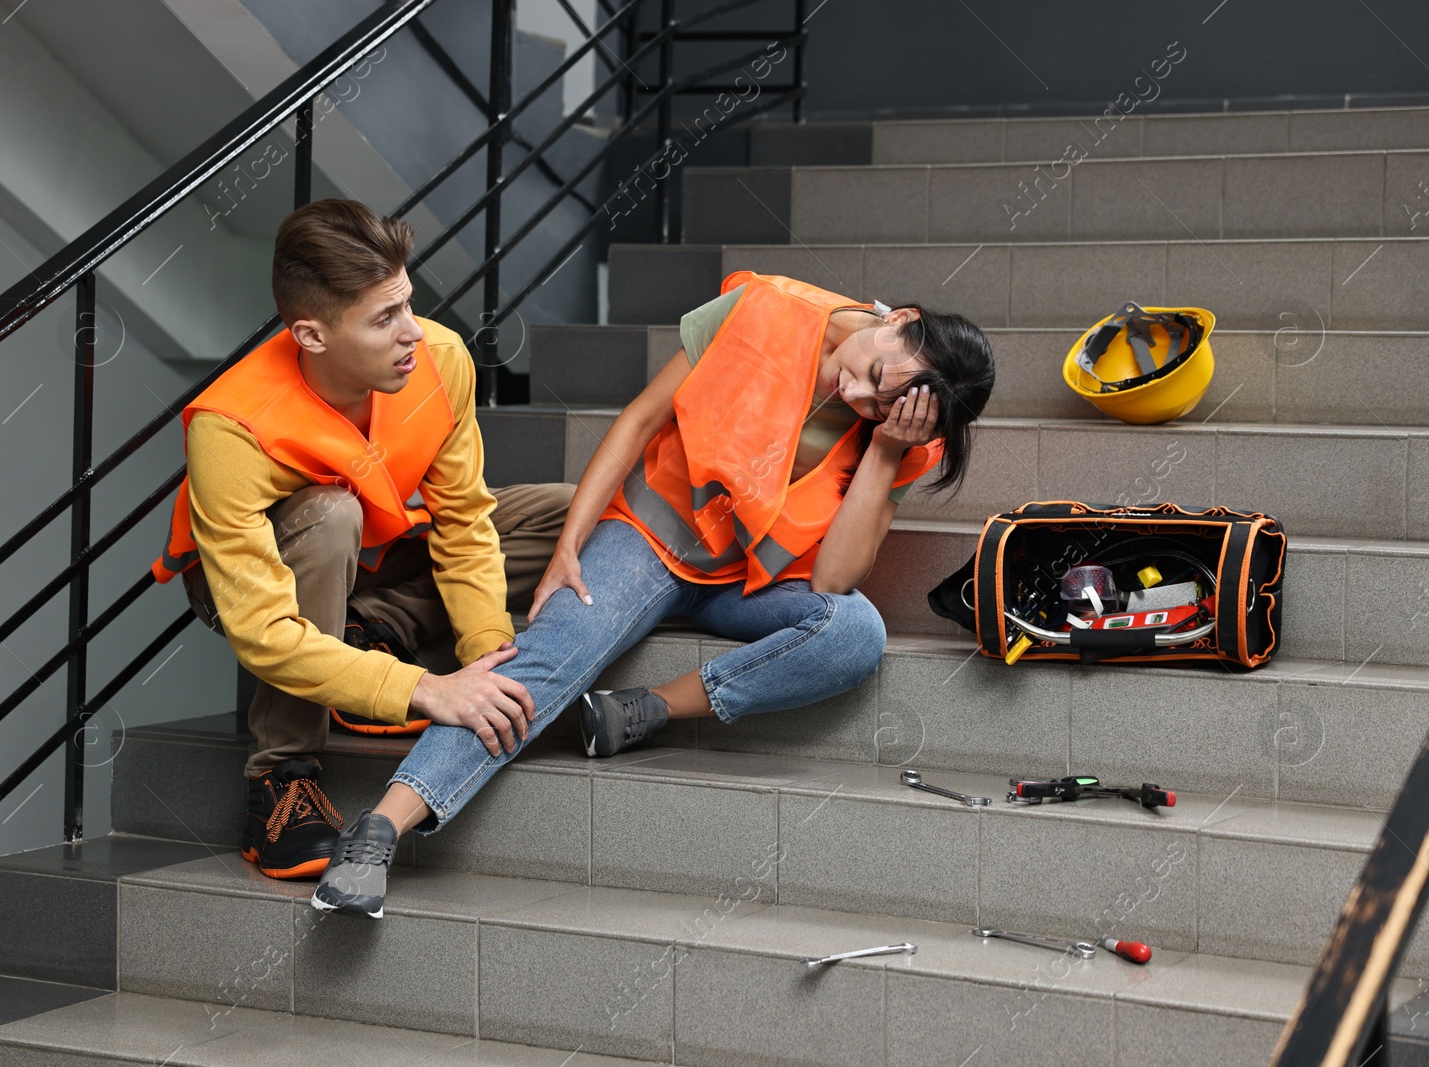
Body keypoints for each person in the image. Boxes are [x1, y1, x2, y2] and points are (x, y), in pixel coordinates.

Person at [312, 271, 995, 917]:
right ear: (898, 320)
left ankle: (647, 710)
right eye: (875, 376)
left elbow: (832, 582)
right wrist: (570, 546)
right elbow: (640, 419)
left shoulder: (905, 433)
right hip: (648, 542)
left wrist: (883, 449)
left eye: (882, 402)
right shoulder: (763, 308)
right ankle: (383, 823)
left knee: (856, 631)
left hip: (747, 582)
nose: (861, 398)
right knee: (549, 656)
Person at [152, 199, 571, 879]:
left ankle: (367, 625)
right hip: (252, 585)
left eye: (408, 303)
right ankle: (281, 776)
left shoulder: (438, 358)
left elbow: (464, 522)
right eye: (384, 319)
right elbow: (263, 631)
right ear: (311, 336)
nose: (413, 332)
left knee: (564, 510)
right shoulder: (228, 425)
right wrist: (424, 689)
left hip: (373, 553)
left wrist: (484, 657)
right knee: (328, 515)